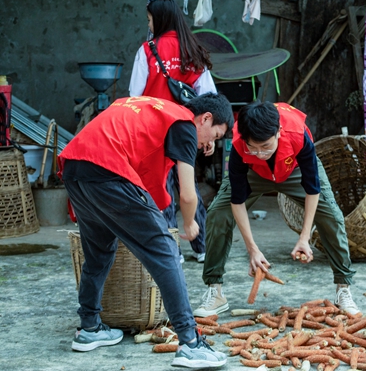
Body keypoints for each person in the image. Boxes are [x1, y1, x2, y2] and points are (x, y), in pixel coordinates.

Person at [58, 93, 234, 369]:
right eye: (215, 135)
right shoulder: (185, 125)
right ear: (206, 118)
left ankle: (89, 327)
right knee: (165, 252)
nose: (209, 145)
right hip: (107, 171)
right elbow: (188, 195)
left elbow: (145, 172)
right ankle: (190, 343)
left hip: (74, 168)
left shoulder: (156, 109)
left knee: (99, 253)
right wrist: (189, 223)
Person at [193, 101, 360, 317]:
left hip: (294, 170)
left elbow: (313, 190)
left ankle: (343, 288)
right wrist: (252, 249)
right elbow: (237, 201)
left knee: (331, 215)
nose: (261, 153)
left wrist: (304, 237)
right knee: (218, 213)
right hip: (255, 174)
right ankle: (214, 290)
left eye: (266, 147)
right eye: (254, 147)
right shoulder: (239, 144)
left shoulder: (298, 134)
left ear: (279, 133)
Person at [129, 0, 217, 263]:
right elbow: (210, 97)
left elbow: (134, 97)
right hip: (187, 132)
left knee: (162, 190)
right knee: (189, 188)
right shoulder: (194, 50)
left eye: (150, 20)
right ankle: (201, 248)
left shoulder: (147, 50)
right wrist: (208, 134)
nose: (150, 25)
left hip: (154, 134)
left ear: (160, 19)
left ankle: (172, 250)